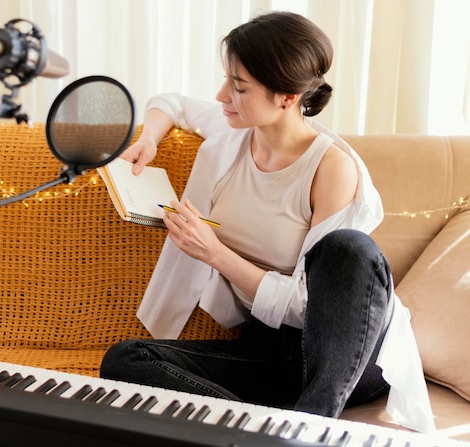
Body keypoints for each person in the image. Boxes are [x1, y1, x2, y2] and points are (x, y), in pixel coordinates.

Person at [100, 11, 434, 433]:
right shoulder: (233, 132)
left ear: (288, 97)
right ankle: (262, 430)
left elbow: (311, 307)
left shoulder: (331, 168)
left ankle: (311, 427)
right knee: (127, 360)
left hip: (346, 353)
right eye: (227, 79)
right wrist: (148, 138)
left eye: (238, 86)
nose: (222, 95)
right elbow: (170, 103)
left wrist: (215, 254)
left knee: (349, 248)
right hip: (270, 350)